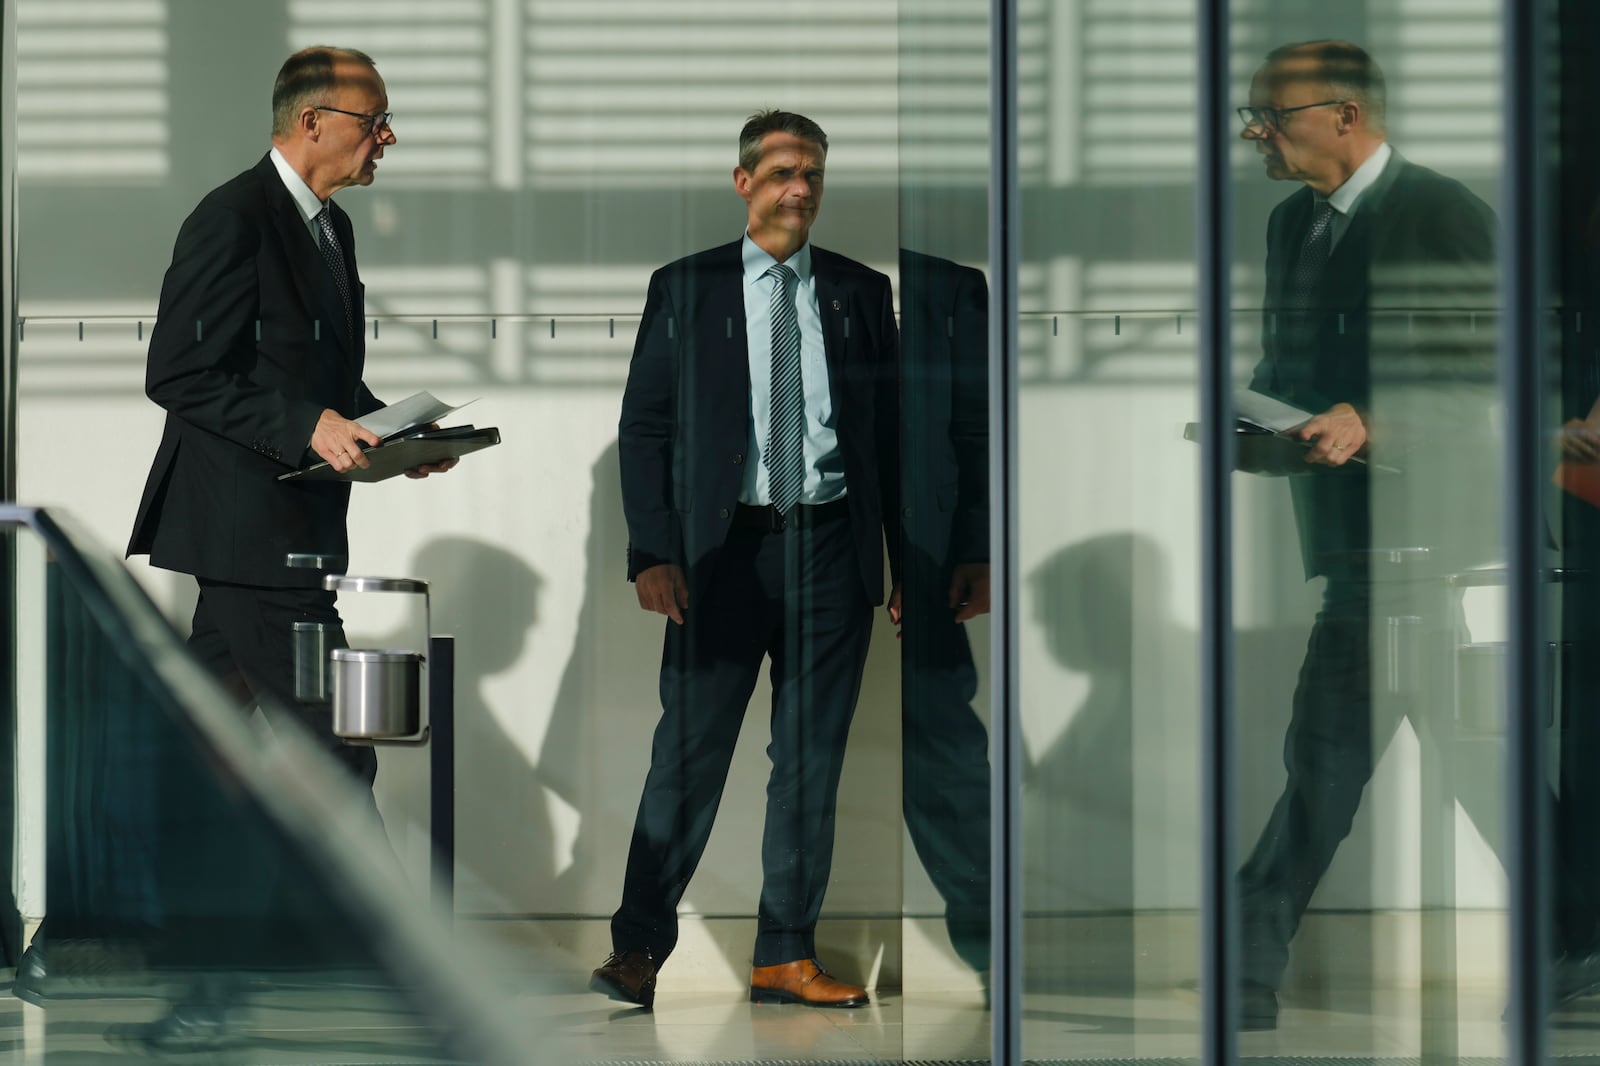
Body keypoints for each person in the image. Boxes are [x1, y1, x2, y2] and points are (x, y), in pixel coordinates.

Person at [119, 45, 450, 1052]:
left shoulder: (330, 229)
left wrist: (384, 433)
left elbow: (314, 375)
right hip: (248, 535)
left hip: (283, 533)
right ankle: (422, 984)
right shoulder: (232, 217)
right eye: (374, 118)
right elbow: (178, 370)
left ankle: (200, 986)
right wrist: (308, 425)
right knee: (332, 755)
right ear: (312, 120)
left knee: (216, 766)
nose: (387, 137)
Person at [592, 109, 900, 1010]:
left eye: (810, 174)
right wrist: (651, 550)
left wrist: (909, 565)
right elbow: (643, 426)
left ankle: (783, 956)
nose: (797, 189)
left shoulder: (857, 291)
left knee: (808, 763)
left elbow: (888, 437)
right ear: (744, 183)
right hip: (719, 559)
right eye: (779, 174)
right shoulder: (685, 288)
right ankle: (638, 950)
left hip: (833, 551)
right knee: (686, 759)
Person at [1231, 41, 1498, 1030]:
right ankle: (1572, 932)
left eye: (1272, 115)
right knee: (1370, 760)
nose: (1256, 133)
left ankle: (1244, 966)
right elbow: (1287, 361)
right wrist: (1258, 428)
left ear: (1345, 115)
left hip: (1435, 545)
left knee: (1335, 757)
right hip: (1355, 541)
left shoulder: (1442, 212)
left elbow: (1482, 365)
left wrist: (1368, 419)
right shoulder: (1291, 222)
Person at [898, 248, 992, 981]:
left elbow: (974, 429)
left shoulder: (945, 289)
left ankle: (993, 946)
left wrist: (975, 546)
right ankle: (786, 947)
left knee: (944, 754)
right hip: (794, 555)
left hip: (926, 564)